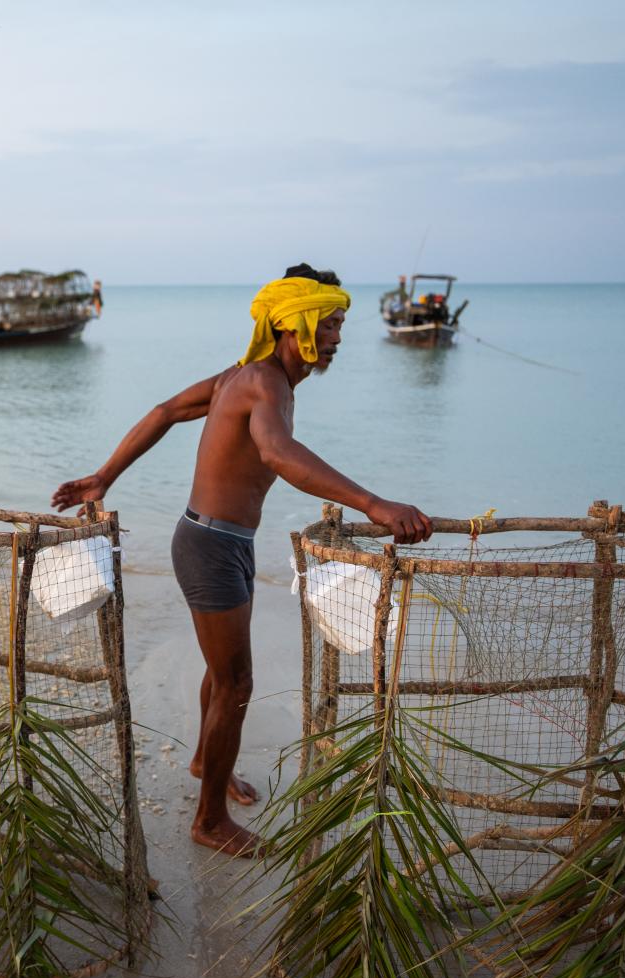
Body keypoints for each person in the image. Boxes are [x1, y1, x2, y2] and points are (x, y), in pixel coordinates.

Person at [51, 264, 432, 857]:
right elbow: (278, 453)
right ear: (296, 323)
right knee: (237, 682)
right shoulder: (263, 383)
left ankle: (208, 761)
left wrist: (105, 475)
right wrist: (375, 504)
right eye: (330, 323)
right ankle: (209, 821)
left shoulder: (244, 377)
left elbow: (164, 412)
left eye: (339, 324)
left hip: (223, 541)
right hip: (209, 547)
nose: (337, 336)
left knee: (221, 670)